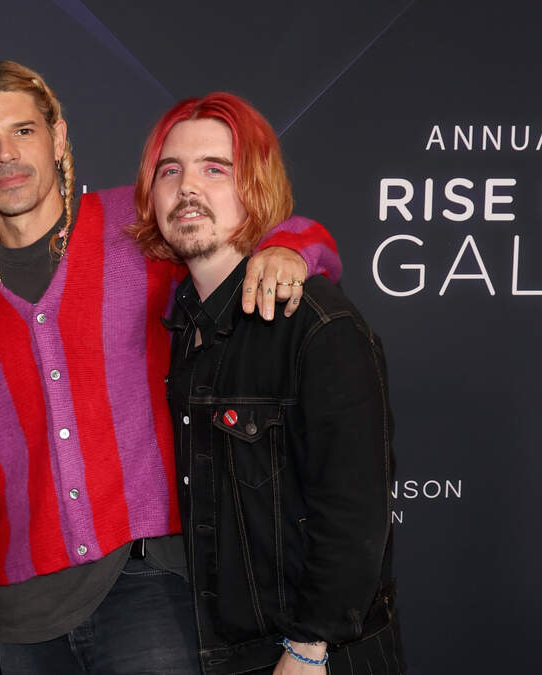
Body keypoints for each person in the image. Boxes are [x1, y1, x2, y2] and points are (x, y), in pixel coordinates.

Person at [0, 62, 343, 673]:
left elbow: (289, 229)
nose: (5, 156)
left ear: (58, 137)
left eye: (23, 131)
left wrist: (289, 249)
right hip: (26, 610)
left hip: (149, 582)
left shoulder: (134, 225)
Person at [132, 92, 403, 674]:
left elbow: (355, 509)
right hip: (231, 655)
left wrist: (308, 647)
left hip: (317, 658)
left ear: (255, 186)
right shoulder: (181, 325)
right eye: (170, 171)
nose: (187, 187)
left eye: (215, 169)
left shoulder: (317, 323)